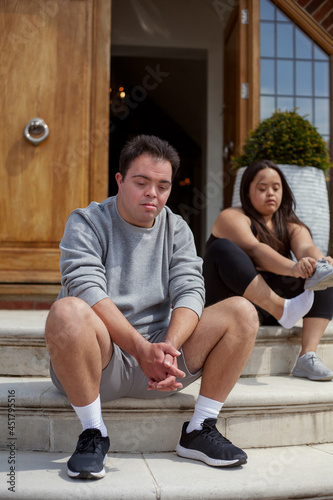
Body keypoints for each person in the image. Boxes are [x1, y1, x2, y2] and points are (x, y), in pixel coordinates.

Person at [45, 135, 258, 480]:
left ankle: (199, 429)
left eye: (162, 186)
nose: (152, 194)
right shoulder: (86, 222)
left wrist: (167, 349)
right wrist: (140, 349)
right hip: (99, 362)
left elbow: (191, 290)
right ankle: (93, 432)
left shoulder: (177, 228)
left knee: (242, 312)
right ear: (120, 180)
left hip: (161, 365)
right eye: (141, 182)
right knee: (67, 310)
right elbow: (87, 289)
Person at [203, 159, 333, 382]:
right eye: (262, 188)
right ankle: (283, 309)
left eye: (276, 187)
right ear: (247, 191)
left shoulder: (291, 225)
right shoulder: (231, 217)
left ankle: (307, 355)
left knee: (324, 275)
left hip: (269, 312)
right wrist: (293, 268)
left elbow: (306, 247)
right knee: (221, 248)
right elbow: (255, 250)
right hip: (233, 304)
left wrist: (320, 262)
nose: (270, 193)